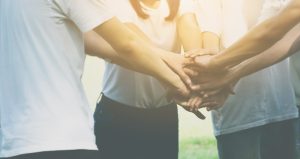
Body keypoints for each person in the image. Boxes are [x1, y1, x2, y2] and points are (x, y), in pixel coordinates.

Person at [0, 0, 192, 158]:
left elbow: (99, 44)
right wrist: (178, 82)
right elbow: (127, 44)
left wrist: (172, 63)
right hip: (63, 139)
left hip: (15, 144)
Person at [90, 0, 213, 158]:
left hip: (163, 116)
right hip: (118, 115)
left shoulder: (179, 3)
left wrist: (196, 74)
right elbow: (132, 40)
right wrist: (177, 80)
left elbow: (188, 25)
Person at [191, 1, 299, 159]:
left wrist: (217, 64)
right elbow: (286, 38)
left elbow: (271, 33)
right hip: (240, 107)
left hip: (283, 102)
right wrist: (230, 74)